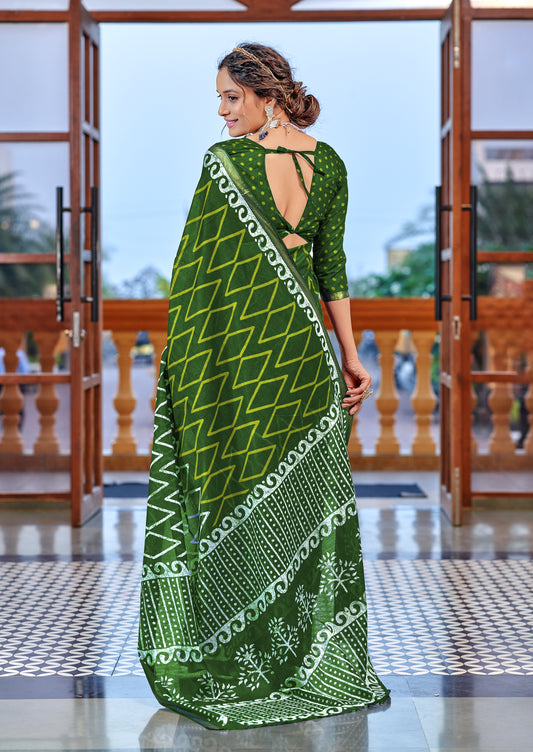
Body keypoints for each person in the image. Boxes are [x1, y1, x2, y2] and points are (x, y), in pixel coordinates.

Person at [138, 43, 390, 730]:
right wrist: (349, 355)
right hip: (306, 352)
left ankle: (243, 657)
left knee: (233, 489)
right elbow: (332, 267)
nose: (222, 113)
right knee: (306, 505)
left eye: (231, 97)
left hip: (242, 357)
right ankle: (311, 658)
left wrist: (180, 361)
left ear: (267, 97)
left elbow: (195, 276)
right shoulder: (328, 162)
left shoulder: (226, 164)